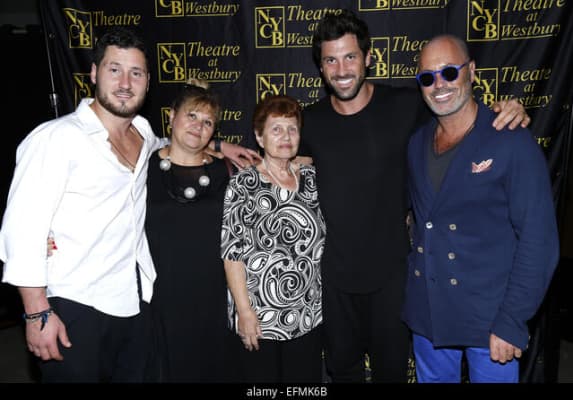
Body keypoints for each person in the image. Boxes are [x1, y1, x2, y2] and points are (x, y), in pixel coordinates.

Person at [0, 27, 257, 383]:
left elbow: (175, 143)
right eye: (114, 69)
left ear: (147, 82)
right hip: (73, 306)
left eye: (135, 73)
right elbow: (22, 229)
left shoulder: (143, 134)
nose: (125, 82)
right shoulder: (56, 138)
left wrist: (219, 146)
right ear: (94, 73)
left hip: (135, 305)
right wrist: (36, 312)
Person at [298, 10, 531, 383]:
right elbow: (267, 153)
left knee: (393, 374)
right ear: (321, 67)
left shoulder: (408, 105)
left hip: (396, 279)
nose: (341, 69)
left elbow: (460, 110)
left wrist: (507, 109)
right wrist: (218, 148)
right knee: (342, 372)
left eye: (350, 56)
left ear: (368, 58)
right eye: (331, 60)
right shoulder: (308, 122)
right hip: (334, 281)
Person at [401, 34, 559, 383]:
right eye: (427, 77)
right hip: (429, 314)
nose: (439, 85)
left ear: (471, 71)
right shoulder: (416, 143)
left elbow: (539, 240)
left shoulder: (510, 139)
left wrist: (511, 320)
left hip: (491, 318)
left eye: (449, 72)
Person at [221, 95, 326, 382]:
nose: (286, 137)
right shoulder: (244, 184)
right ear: (259, 137)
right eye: (276, 129)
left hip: (307, 314)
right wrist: (244, 312)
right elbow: (232, 254)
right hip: (259, 318)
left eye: (292, 129)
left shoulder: (312, 179)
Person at [145, 79, 240, 382]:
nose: (199, 126)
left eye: (208, 122)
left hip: (211, 297)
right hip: (161, 300)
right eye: (192, 115)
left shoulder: (224, 172)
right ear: (172, 116)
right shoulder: (142, 168)